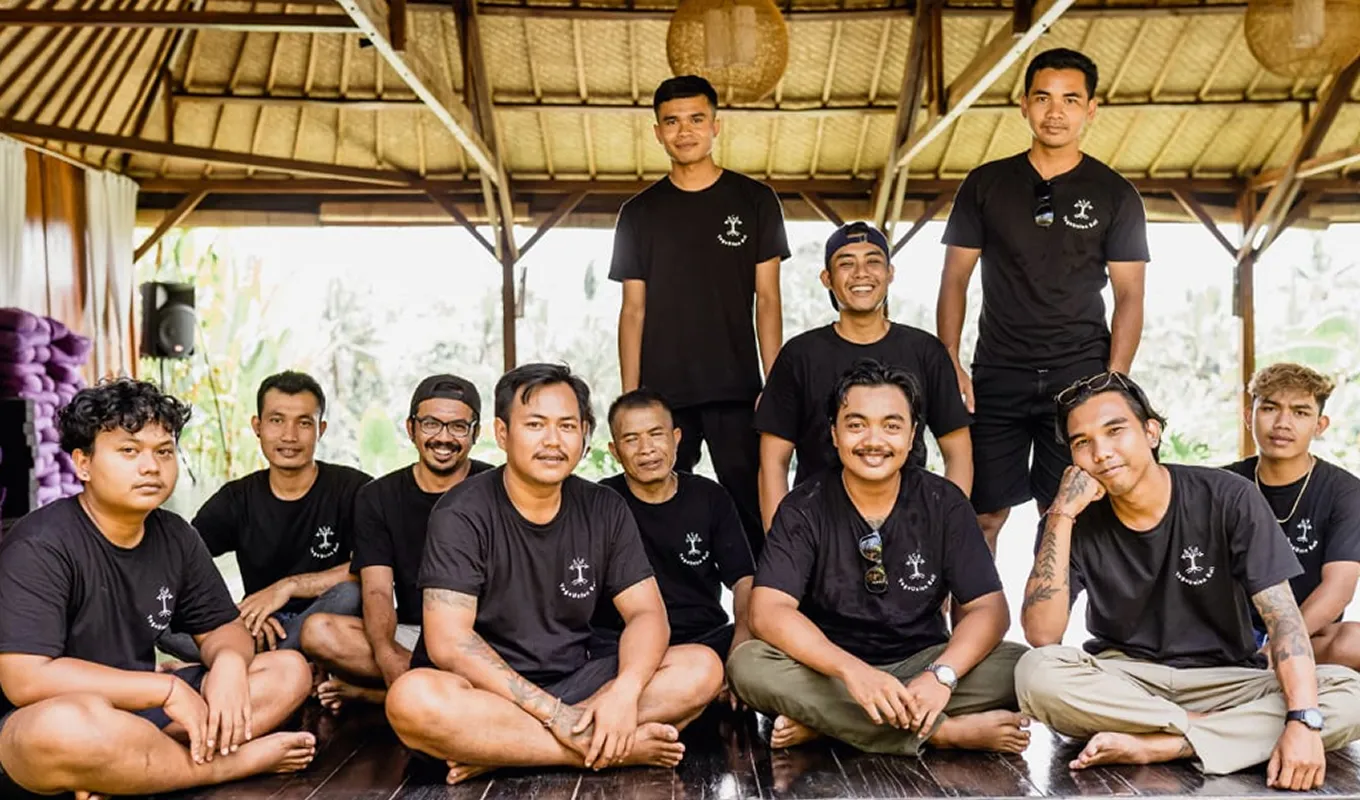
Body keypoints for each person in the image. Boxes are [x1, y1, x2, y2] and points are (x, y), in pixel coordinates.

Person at [1016, 371, 1360, 789]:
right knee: (1036, 672)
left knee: (1348, 693)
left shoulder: (1229, 495)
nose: (1101, 452)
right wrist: (1061, 514)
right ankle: (1212, 732)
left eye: (1115, 431)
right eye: (1082, 442)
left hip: (1225, 677)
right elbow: (1042, 634)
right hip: (1125, 680)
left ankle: (1167, 744)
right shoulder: (1070, 519)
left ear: (1151, 432)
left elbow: (1283, 618)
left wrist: (1302, 719)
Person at [384, 364, 724, 785]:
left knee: (701, 667)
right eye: (535, 425)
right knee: (411, 699)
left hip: (578, 682)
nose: (552, 440)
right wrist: (553, 716)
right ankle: (598, 750)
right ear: (502, 433)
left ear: (584, 434)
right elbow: (449, 643)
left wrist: (623, 692)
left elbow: (647, 614)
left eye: (567, 425)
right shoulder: (460, 513)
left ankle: (505, 752)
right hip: (485, 693)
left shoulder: (604, 508)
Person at [0, 379, 315, 798]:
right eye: (129, 451)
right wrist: (164, 688)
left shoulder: (175, 536)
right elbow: (25, 679)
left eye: (164, 451)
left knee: (288, 671)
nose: (151, 466)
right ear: (83, 464)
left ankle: (126, 771)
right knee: (62, 729)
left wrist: (228, 665)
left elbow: (224, 629)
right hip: (49, 721)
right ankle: (229, 765)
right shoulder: (40, 545)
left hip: (144, 711)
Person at [728, 360, 1029, 755]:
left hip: (922, 661)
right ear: (834, 433)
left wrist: (941, 676)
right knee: (748, 665)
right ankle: (942, 732)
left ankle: (831, 724)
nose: (874, 440)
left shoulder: (944, 502)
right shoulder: (803, 507)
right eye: (856, 425)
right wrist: (853, 672)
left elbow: (989, 609)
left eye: (891, 426)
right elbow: (768, 611)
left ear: (912, 434)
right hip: (829, 671)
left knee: (1021, 668)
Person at [938, 47, 1149, 552]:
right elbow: (954, 278)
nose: (1056, 112)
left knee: (1065, 514)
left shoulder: (1116, 193)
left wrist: (1114, 379)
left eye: (1070, 99)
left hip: (1078, 375)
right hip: (997, 372)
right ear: (1024, 105)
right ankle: (975, 609)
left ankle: (1055, 611)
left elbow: (1130, 294)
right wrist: (949, 357)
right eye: (1043, 98)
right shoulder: (986, 184)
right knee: (982, 514)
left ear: (1090, 109)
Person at [611, 74, 790, 554]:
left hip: (737, 387)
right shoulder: (638, 213)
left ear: (715, 125)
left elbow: (768, 300)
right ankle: (667, 598)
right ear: (657, 132)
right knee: (658, 507)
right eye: (671, 122)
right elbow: (632, 310)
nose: (684, 131)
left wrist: (774, 384)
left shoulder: (755, 200)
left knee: (754, 506)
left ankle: (766, 600)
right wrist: (632, 398)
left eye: (695, 119)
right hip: (663, 394)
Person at [756, 221, 972, 532]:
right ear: (827, 278)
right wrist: (783, 542)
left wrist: (949, 531)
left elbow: (958, 452)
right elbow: (773, 463)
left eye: (873, 261)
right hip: (820, 527)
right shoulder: (799, 355)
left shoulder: (926, 352)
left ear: (890, 273)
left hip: (908, 528)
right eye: (846, 263)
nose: (861, 273)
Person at [300, 375, 494, 709]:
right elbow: (377, 591)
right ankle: (440, 697)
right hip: (412, 634)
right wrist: (387, 655)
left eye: (458, 427)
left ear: (475, 434)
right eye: (431, 424)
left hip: (482, 638)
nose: (443, 437)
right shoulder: (378, 497)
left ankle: (381, 697)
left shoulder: (496, 488)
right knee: (319, 631)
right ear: (411, 428)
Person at [158, 371, 372, 661]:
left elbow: (375, 566)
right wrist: (234, 616)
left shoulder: (354, 489)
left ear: (320, 429)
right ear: (257, 426)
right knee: (161, 620)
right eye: (276, 420)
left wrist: (288, 587)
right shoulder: (236, 499)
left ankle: (251, 662)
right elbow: (181, 564)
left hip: (324, 621)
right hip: (256, 627)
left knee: (349, 594)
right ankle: (269, 661)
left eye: (304, 423)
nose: (289, 436)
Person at [593, 388, 756, 671]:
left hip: (705, 638)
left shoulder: (710, 497)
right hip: (623, 644)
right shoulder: (601, 502)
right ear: (615, 451)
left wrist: (741, 643)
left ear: (676, 438)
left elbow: (743, 579)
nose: (646, 449)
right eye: (631, 439)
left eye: (656, 434)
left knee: (768, 650)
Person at [1224, 363, 1360, 670]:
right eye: (1270, 408)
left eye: (1300, 412)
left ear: (1319, 425)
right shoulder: (1223, 485)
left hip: (1307, 636)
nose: (1282, 423)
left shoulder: (1346, 492)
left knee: (1354, 642)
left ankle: (1263, 665)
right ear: (1248, 416)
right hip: (1228, 637)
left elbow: (1338, 589)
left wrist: (1278, 647)